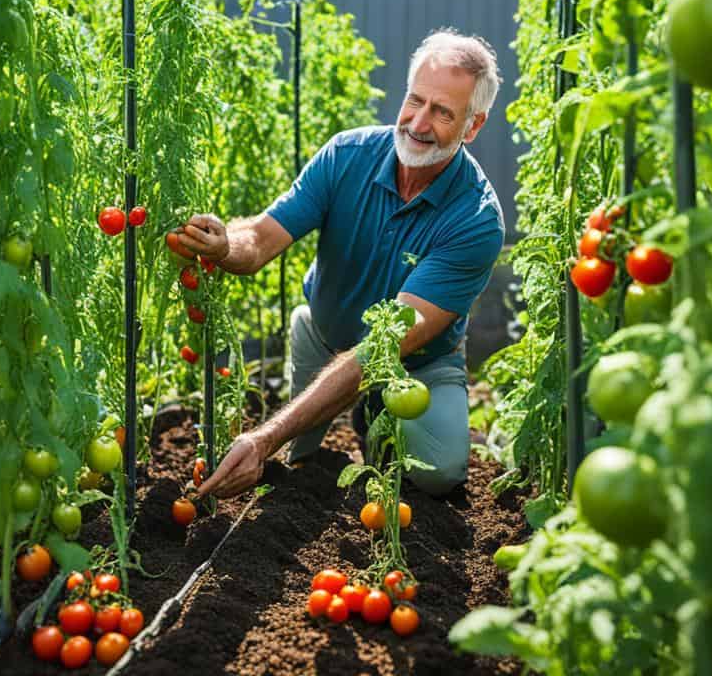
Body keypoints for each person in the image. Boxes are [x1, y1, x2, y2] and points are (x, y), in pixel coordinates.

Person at [183, 28, 505, 500]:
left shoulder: (476, 220)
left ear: (472, 126)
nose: (418, 122)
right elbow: (263, 236)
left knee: (439, 474)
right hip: (327, 333)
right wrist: (222, 245)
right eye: (415, 100)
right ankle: (336, 375)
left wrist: (264, 437)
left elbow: (382, 349)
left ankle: (373, 408)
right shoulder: (346, 156)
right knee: (300, 466)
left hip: (418, 364)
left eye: (442, 113)